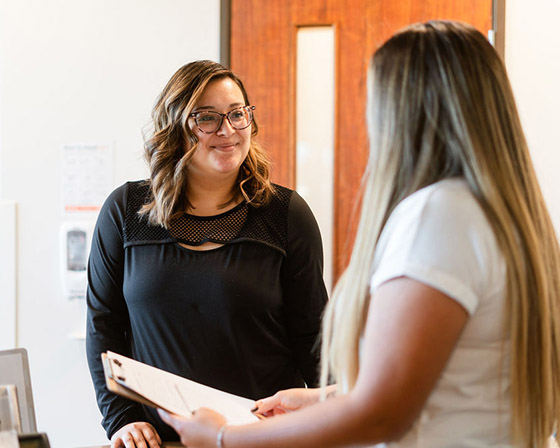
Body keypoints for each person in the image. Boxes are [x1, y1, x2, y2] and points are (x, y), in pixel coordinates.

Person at [158, 20, 560, 448]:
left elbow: (382, 412)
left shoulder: (440, 215)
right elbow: (441, 377)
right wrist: (326, 398)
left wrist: (223, 438)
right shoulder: (499, 215)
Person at [85, 60, 328, 447]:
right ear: (176, 126)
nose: (227, 130)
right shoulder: (125, 211)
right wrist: (120, 420)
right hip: (158, 442)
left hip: (262, 438)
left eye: (237, 114)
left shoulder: (286, 214)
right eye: (207, 118)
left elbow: (313, 336)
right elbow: (104, 325)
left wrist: (336, 423)